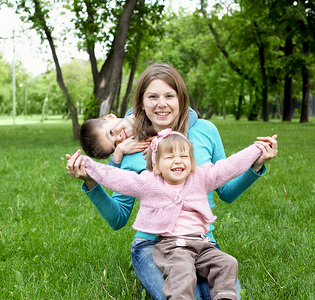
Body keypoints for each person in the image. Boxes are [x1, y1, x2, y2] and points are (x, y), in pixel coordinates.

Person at [66, 63, 278, 299]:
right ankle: (150, 275)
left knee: (223, 294)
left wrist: (255, 165)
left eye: (169, 95)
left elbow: (226, 191)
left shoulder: (206, 131)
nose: (161, 104)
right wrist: (91, 181)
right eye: (152, 97)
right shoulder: (131, 147)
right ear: (141, 103)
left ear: (181, 98)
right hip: (152, 245)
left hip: (202, 242)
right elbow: (118, 218)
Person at [74, 129, 266, 300]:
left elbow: (229, 166)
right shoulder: (149, 182)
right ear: (156, 166)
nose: (178, 160)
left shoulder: (201, 178)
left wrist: (257, 150)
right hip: (173, 247)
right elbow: (118, 179)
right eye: (169, 157)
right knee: (182, 272)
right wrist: (88, 165)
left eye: (184, 156)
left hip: (204, 245)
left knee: (227, 263)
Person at [79, 109, 150, 167]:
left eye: (111, 133)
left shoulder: (140, 107)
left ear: (110, 117)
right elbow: (112, 173)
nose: (119, 139)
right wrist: (119, 152)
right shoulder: (132, 146)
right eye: (115, 145)